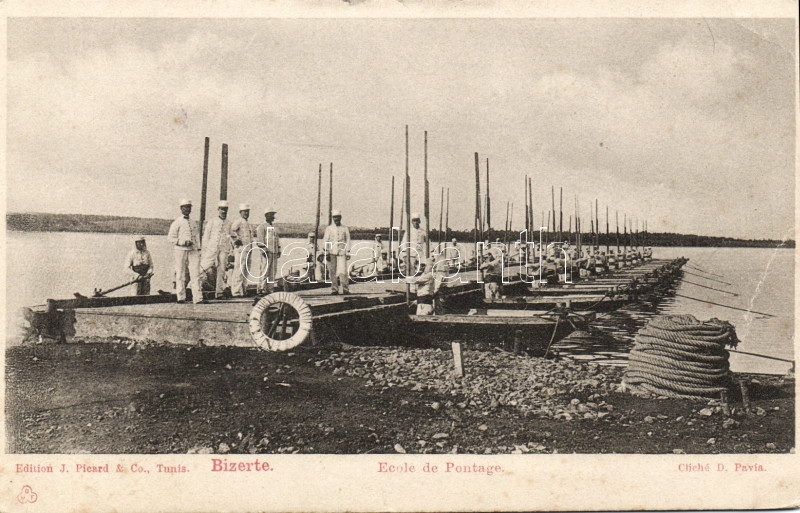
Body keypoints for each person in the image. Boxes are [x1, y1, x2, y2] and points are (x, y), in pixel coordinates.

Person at [167, 199, 204, 304]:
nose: (187, 209)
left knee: (195, 273)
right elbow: (170, 238)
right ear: (181, 208)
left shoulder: (193, 222)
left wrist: (198, 249)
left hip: (193, 250)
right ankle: (181, 297)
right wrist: (182, 242)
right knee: (180, 273)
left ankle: (197, 298)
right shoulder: (177, 222)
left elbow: (196, 237)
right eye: (185, 207)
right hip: (180, 250)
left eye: (189, 207)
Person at [201, 200, 233, 299]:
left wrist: (230, 248)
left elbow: (230, 236)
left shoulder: (229, 223)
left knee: (222, 269)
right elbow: (206, 236)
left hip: (223, 249)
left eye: (225, 209)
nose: (223, 211)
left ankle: (219, 292)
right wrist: (205, 249)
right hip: (212, 248)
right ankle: (191, 286)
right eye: (222, 209)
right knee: (204, 266)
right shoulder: (212, 221)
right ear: (218, 209)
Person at [323, 209, 351, 295]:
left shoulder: (345, 228)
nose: (336, 219)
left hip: (342, 253)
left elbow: (348, 240)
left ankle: (345, 289)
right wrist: (327, 252)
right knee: (332, 272)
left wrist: (348, 252)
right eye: (334, 217)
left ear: (340, 217)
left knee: (343, 271)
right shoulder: (329, 228)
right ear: (333, 218)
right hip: (332, 252)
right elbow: (325, 240)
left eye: (338, 217)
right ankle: (334, 289)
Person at [229, 203, 253, 297]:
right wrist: (236, 240)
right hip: (241, 249)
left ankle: (243, 290)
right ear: (240, 212)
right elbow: (231, 231)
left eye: (247, 212)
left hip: (248, 249)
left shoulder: (247, 223)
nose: (246, 213)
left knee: (246, 270)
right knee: (239, 270)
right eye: (244, 212)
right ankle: (236, 291)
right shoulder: (238, 221)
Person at [256, 207, 280, 295]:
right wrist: (263, 251)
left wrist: (279, 250)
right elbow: (260, 241)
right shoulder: (261, 227)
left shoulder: (274, 228)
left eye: (273, 214)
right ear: (266, 215)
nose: (272, 216)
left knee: (273, 272)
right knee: (264, 271)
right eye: (271, 214)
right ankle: (261, 288)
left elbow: (277, 240)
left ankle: (270, 289)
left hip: (274, 252)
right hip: (266, 252)